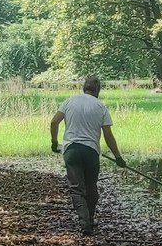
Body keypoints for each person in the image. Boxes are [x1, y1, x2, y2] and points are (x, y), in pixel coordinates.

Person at [50, 78, 126, 235]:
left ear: (84, 88)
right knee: (91, 186)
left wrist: (54, 142)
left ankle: (84, 223)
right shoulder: (100, 107)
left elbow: (54, 122)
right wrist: (118, 157)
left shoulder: (70, 101)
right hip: (91, 151)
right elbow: (108, 136)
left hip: (71, 150)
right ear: (98, 90)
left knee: (77, 188)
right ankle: (90, 219)